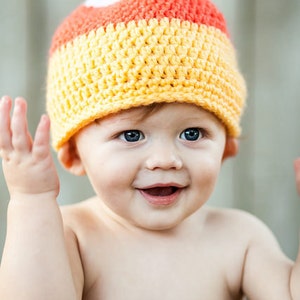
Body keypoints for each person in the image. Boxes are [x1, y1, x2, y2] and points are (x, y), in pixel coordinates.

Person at [0, 0, 299, 299]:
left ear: (226, 147)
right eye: (131, 135)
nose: (165, 160)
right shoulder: (72, 235)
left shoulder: (240, 238)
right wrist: (31, 201)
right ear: (75, 153)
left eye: (192, 133)